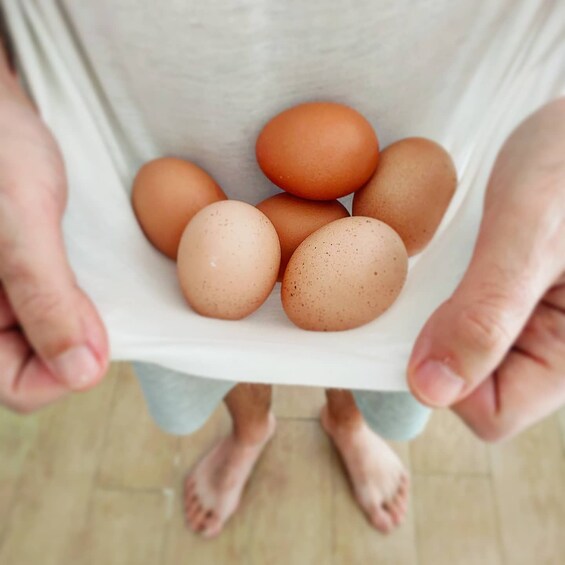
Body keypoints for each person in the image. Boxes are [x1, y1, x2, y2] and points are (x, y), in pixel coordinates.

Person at [0, 0, 563, 540]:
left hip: (422, 113)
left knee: (370, 332)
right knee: (215, 331)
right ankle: (250, 429)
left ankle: (347, 422)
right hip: (152, 140)